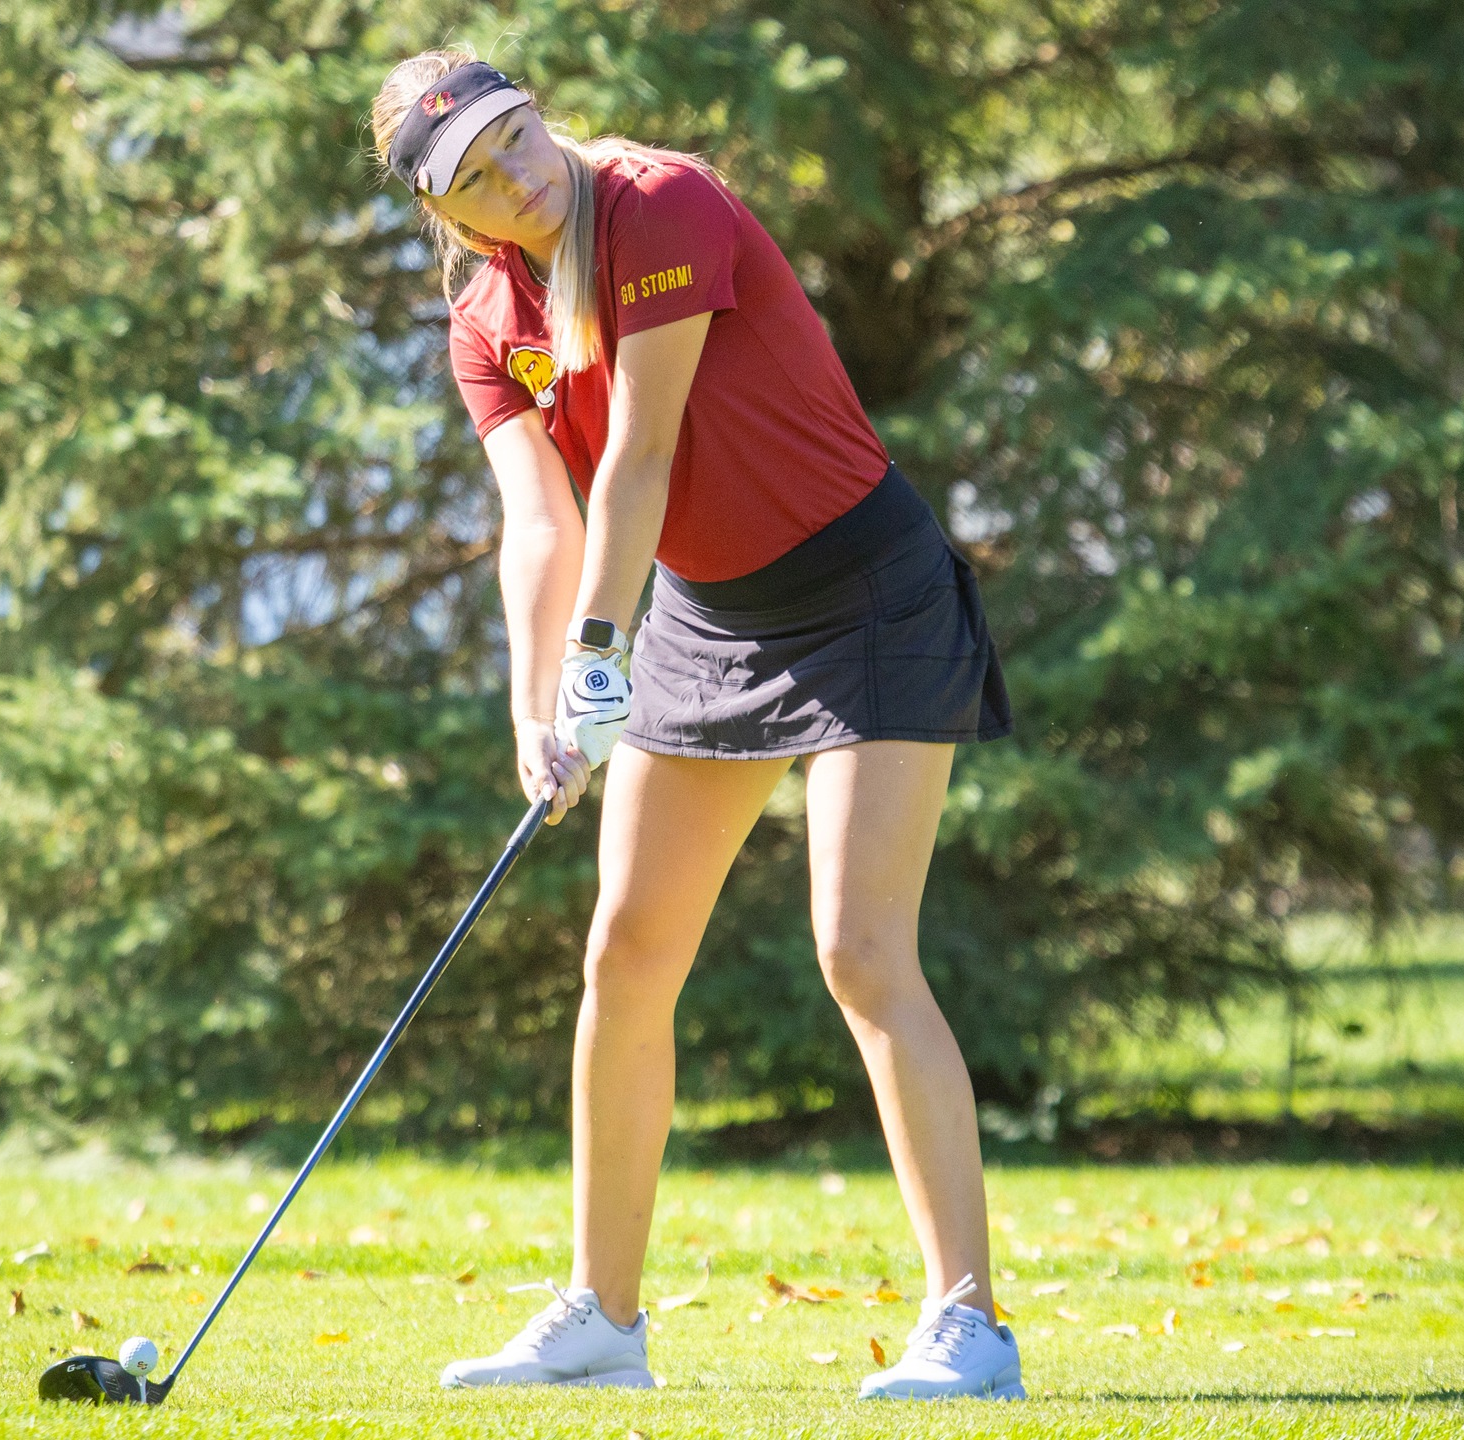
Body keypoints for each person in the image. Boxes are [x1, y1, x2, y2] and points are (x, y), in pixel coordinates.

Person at [370, 51, 1021, 1401]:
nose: (514, 172)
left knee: (856, 947)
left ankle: (970, 1326)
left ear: (536, 108)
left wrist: (598, 656)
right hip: (706, 619)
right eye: (475, 175)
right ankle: (603, 1318)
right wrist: (532, 705)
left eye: (513, 133)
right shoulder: (486, 318)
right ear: (451, 210)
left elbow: (641, 457)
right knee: (626, 949)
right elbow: (540, 521)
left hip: (863, 596)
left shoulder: (660, 205)